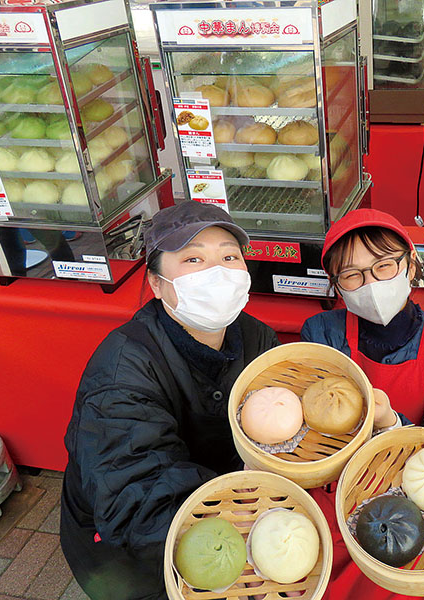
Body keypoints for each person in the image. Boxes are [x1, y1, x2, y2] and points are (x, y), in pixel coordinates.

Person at [60, 201, 278, 600]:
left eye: (229, 256)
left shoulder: (257, 337)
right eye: (193, 259)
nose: (217, 272)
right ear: (157, 284)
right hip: (131, 555)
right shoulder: (123, 371)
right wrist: (240, 515)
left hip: (221, 508)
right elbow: (136, 501)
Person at [300, 208, 424, 600]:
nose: (370, 283)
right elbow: (318, 428)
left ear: (410, 264)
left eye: (383, 266)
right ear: (337, 285)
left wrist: (389, 423)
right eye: (352, 275)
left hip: (414, 500)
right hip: (334, 485)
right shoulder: (321, 331)